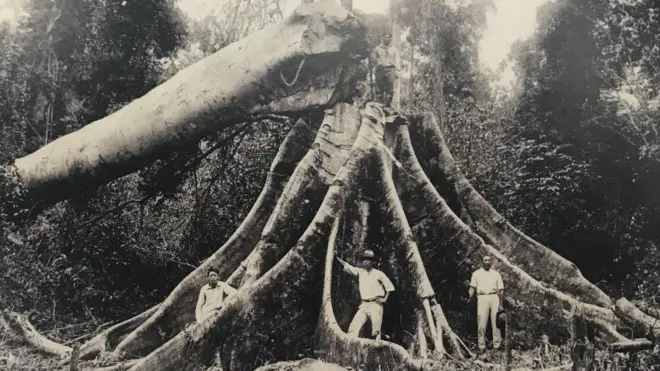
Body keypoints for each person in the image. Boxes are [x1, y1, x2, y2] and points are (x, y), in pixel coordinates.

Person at [336, 250, 395, 340]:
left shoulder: (378, 274)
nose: (365, 262)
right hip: (364, 305)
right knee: (353, 328)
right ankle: (351, 349)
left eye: (368, 260)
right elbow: (347, 266)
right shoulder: (360, 272)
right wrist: (336, 258)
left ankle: (378, 348)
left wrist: (384, 299)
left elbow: (389, 287)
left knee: (376, 332)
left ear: (372, 262)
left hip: (375, 304)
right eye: (364, 260)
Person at [469, 255, 504, 352]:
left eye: (489, 260)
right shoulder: (476, 274)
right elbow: (472, 288)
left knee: (496, 322)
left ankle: (496, 346)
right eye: (485, 260)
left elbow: (501, 290)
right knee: (481, 322)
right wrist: (468, 298)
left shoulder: (496, 274)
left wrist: (500, 304)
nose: (487, 262)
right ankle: (481, 346)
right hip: (482, 297)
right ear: (482, 262)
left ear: (491, 262)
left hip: (494, 297)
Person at [370, 33, 400, 106]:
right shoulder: (377, 49)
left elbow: (397, 60)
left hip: (391, 69)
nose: (386, 39)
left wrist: (398, 71)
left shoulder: (394, 49)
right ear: (382, 38)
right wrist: (374, 68)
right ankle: (379, 104)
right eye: (385, 37)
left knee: (390, 87)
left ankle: (387, 105)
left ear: (390, 39)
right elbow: (373, 59)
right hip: (380, 69)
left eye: (388, 37)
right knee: (379, 87)